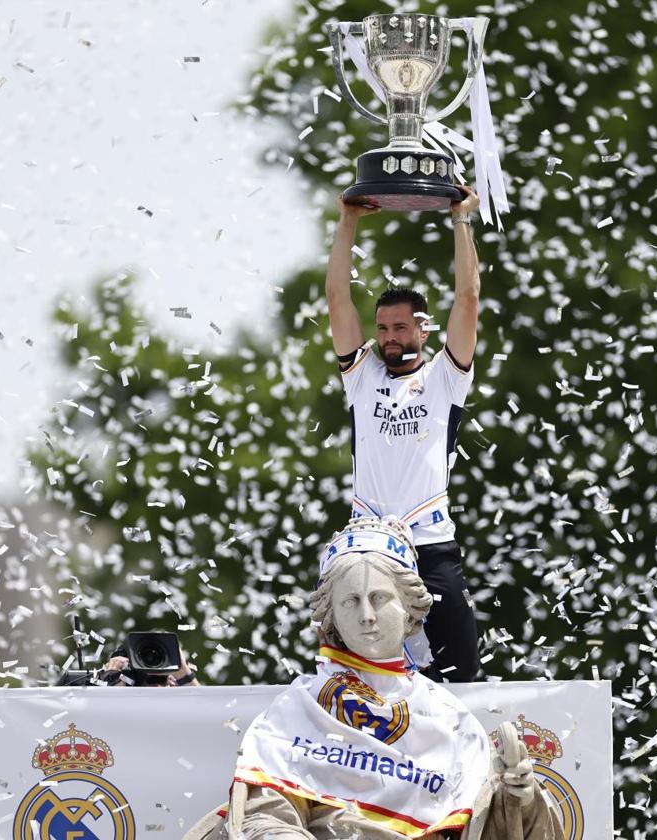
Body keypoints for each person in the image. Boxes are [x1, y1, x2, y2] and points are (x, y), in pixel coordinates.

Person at [183, 517, 560, 840]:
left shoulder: (449, 716)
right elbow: (265, 816)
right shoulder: (300, 707)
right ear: (330, 614)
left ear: (410, 606)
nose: (367, 615)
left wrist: (520, 799)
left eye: (379, 598)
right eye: (351, 601)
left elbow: (489, 830)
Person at [325, 187, 482, 682]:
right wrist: (348, 221)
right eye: (383, 328)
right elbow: (336, 298)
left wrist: (461, 221)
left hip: (431, 542)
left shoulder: (444, 377)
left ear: (423, 329)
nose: (390, 336)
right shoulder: (362, 374)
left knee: (460, 670)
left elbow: (468, 297)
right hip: (367, 543)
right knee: (353, 671)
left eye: (400, 326)